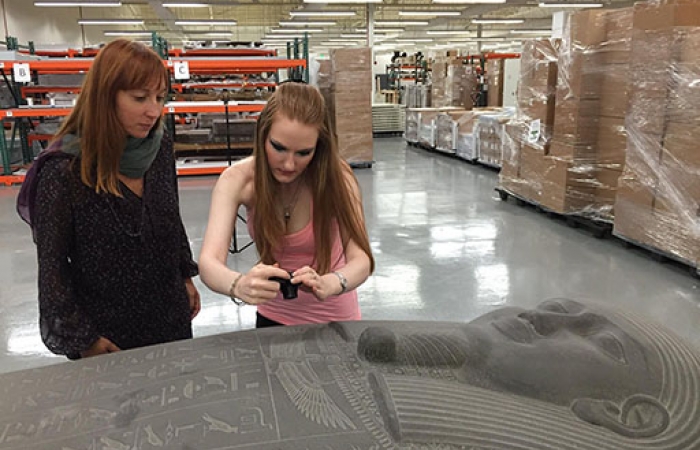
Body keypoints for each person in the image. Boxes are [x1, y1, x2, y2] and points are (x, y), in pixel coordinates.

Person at [29, 39, 200, 360]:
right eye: (139, 98)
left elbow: (170, 218)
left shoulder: (159, 150)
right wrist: (84, 339)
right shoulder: (64, 172)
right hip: (106, 333)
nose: (154, 111)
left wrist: (184, 275)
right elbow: (52, 270)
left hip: (169, 318)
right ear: (105, 96)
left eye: (160, 98)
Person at [199, 82, 374, 327]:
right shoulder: (238, 179)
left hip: (334, 319)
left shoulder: (338, 179)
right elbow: (209, 262)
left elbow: (361, 259)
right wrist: (239, 285)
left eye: (303, 153)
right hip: (273, 317)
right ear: (263, 134)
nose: (289, 165)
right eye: (278, 148)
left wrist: (331, 283)